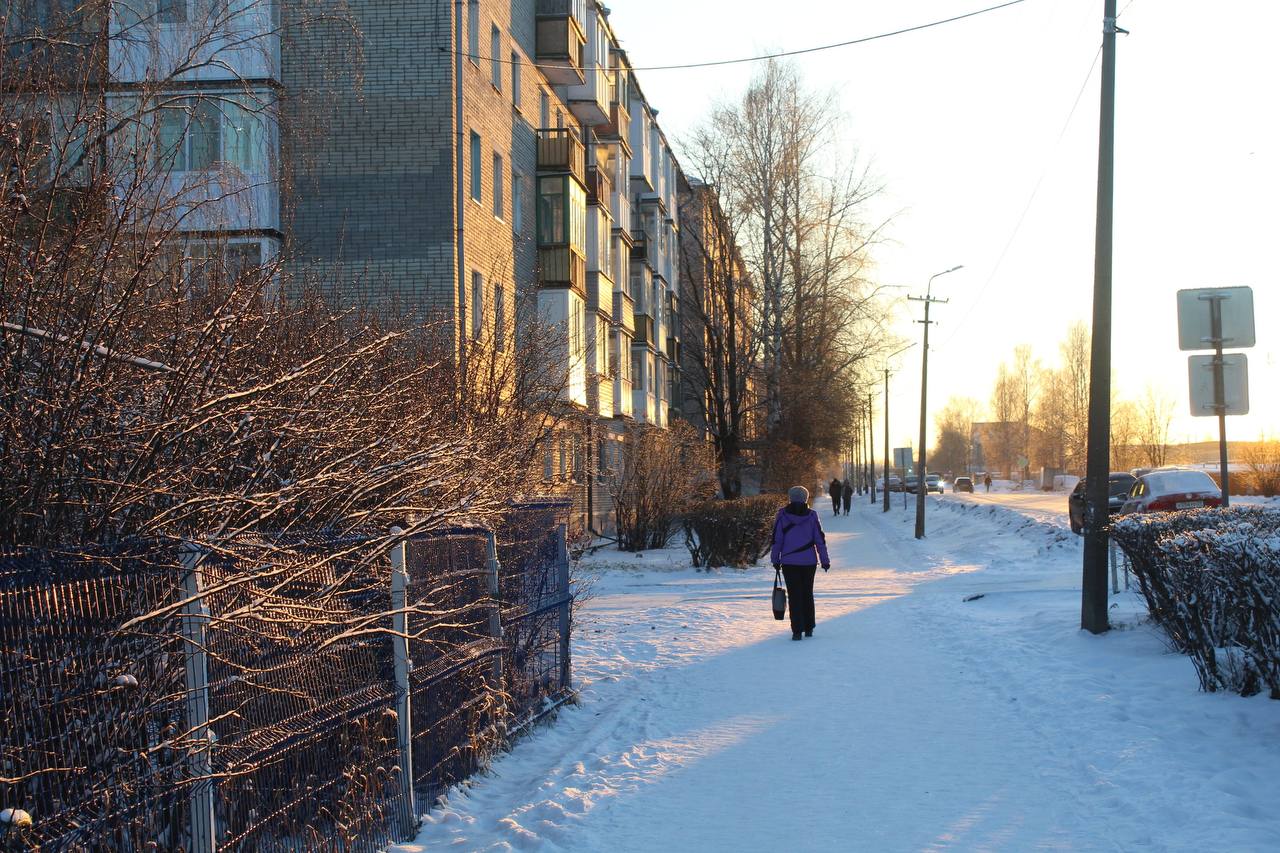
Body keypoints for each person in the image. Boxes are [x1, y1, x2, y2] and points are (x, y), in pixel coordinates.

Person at [770, 486, 831, 641]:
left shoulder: (782, 515)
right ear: (805, 498)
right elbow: (819, 540)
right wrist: (824, 560)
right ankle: (809, 627)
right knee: (807, 594)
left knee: (794, 595)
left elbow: (777, 540)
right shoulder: (812, 516)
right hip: (808, 562)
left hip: (789, 562)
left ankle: (797, 630)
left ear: (790, 498)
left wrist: (775, 559)